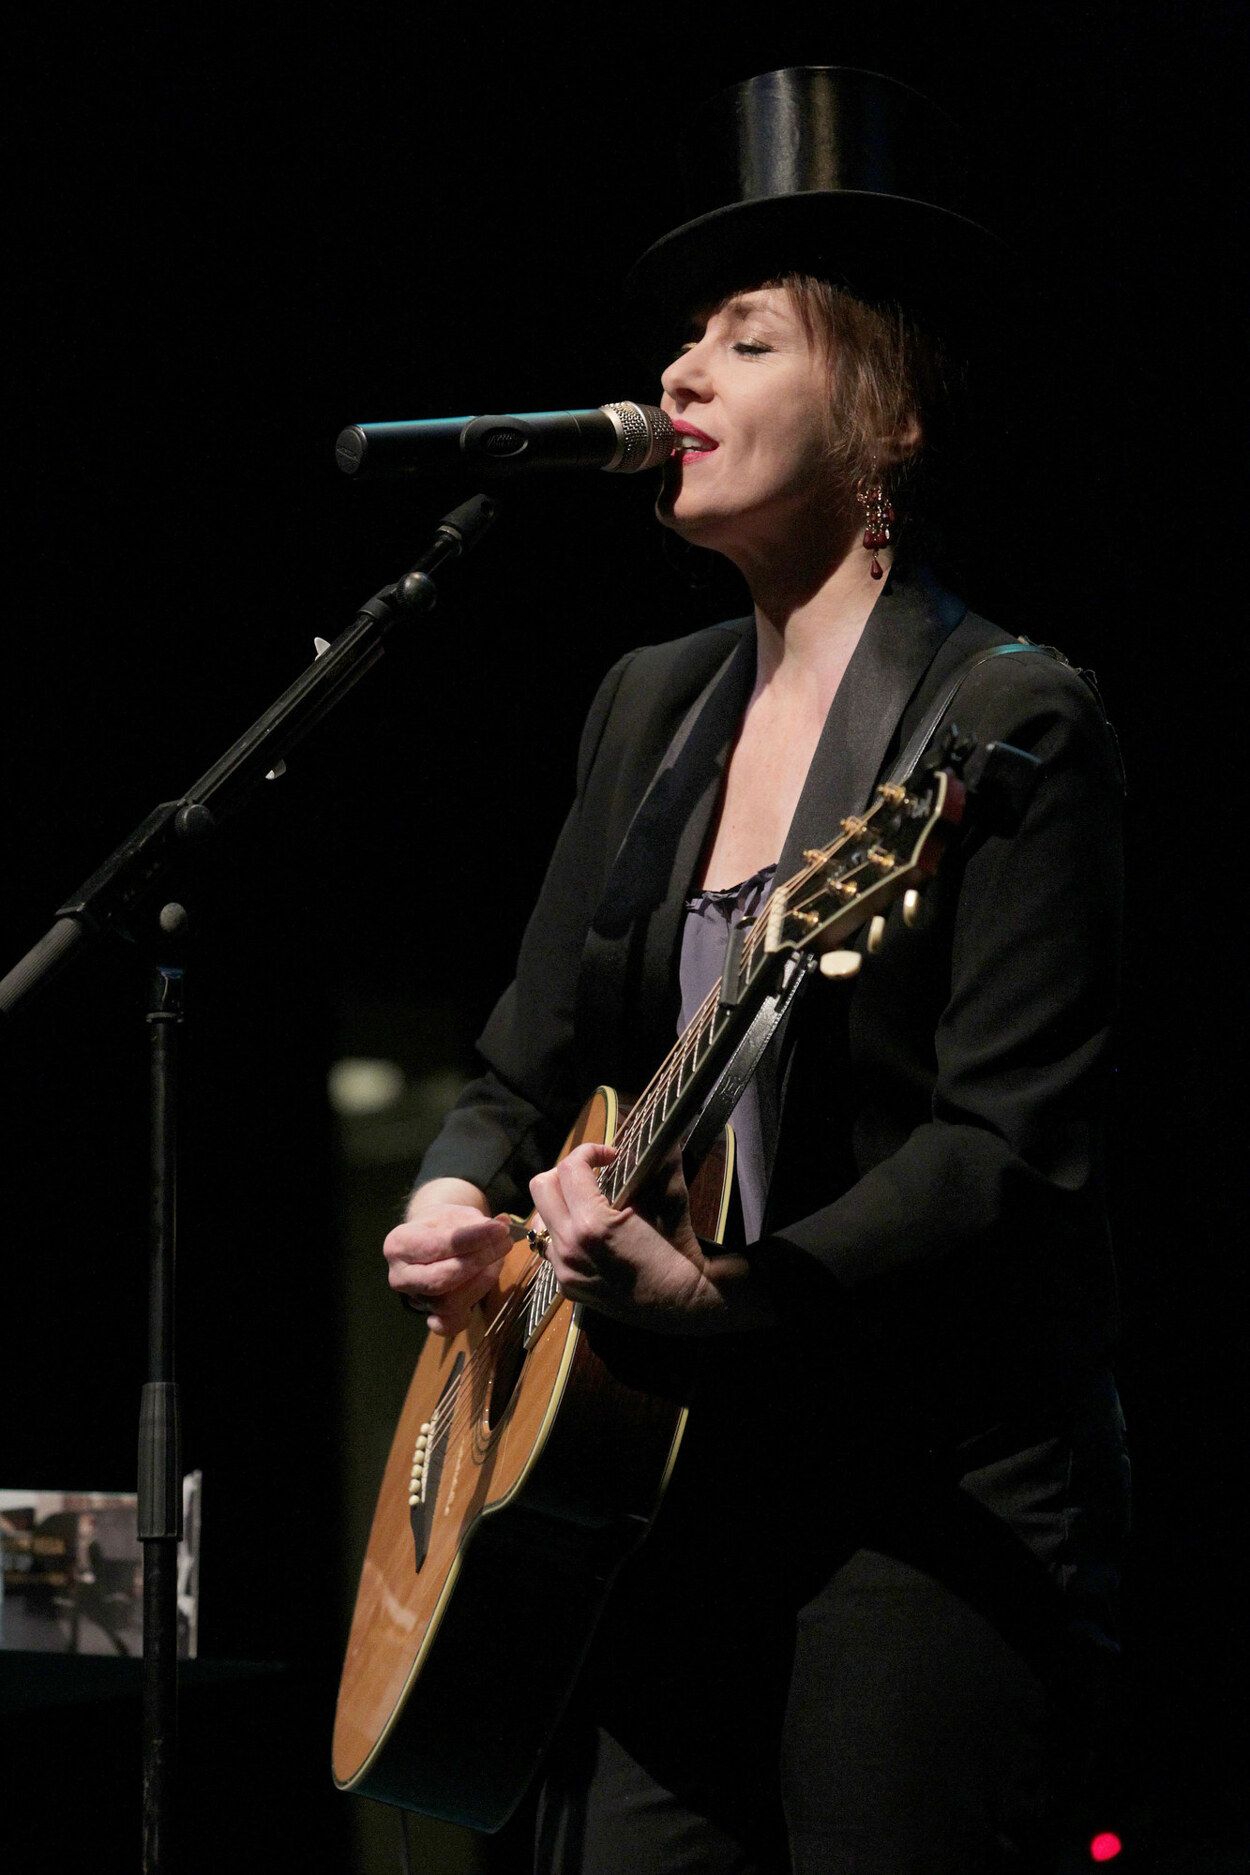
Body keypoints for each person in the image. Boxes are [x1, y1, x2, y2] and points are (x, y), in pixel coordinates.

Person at [383, 68, 1129, 1875]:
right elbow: (521, 1051)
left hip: (917, 1508)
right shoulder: (651, 704)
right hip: (652, 1496)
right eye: (680, 346)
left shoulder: (1002, 716)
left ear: (882, 411)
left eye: (746, 338)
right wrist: (452, 1195)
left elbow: (1008, 1150)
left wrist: (729, 1297)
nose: (678, 380)